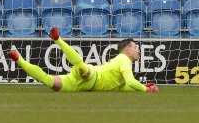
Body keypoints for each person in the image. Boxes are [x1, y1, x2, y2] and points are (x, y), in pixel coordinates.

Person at [9, 27, 159, 93]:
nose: (138, 50)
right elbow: (131, 82)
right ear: (126, 49)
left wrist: (143, 86)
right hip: (94, 77)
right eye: (135, 47)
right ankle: (58, 39)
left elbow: (125, 87)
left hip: (81, 86)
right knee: (83, 68)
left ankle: (19, 60)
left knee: (51, 83)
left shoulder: (121, 65)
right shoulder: (124, 59)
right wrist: (146, 90)